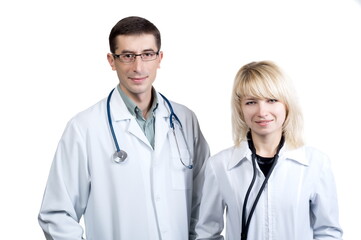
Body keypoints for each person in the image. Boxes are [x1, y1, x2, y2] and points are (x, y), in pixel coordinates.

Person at [38, 16, 210, 240]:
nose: (138, 67)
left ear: (159, 58)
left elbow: (205, 204)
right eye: (127, 56)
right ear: (112, 61)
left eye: (147, 54)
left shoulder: (185, 120)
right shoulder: (84, 128)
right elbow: (56, 214)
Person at [194, 61, 343, 240]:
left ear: (286, 105)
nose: (262, 111)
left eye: (272, 100)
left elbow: (328, 232)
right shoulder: (219, 166)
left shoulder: (315, 163)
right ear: (240, 109)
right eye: (251, 102)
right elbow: (207, 234)